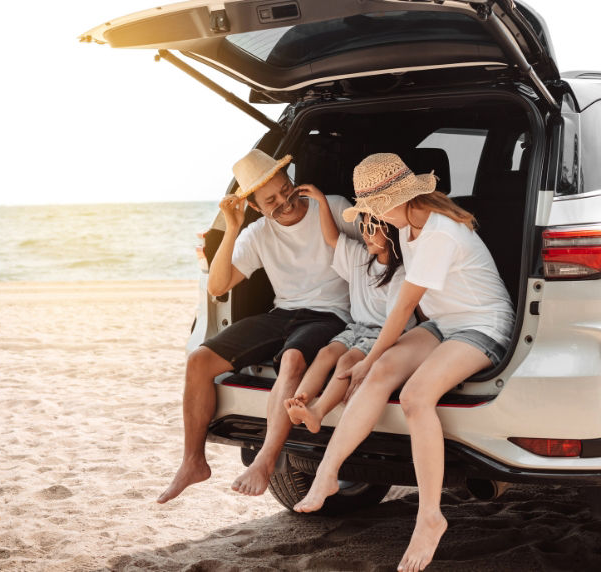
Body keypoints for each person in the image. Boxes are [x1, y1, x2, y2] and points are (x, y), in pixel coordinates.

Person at [292, 153, 515, 572]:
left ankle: (430, 516)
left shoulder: (437, 234)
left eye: (374, 209)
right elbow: (416, 309)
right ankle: (327, 471)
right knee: (379, 375)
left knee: (414, 396)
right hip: (445, 323)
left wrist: (368, 356)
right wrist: (372, 362)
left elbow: (402, 309)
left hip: (483, 325)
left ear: (398, 199)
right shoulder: (410, 227)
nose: (373, 219)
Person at [157, 149, 358, 504]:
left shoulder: (332, 205)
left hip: (330, 315)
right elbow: (217, 287)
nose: (285, 201)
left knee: (293, 359)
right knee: (199, 361)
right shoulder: (257, 232)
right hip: (283, 313)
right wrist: (232, 228)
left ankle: (265, 463)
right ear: (255, 205)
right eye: (271, 200)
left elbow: (380, 246)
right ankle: (192, 462)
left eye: (286, 188)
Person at [283, 182, 413, 434]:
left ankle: (317, 412)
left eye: (372, 227)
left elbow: (397, 322)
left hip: (383, 334)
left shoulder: (402, 273)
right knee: (326, 354)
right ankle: (299, 400)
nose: (364, 233)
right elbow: (332, 237)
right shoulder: (360, 257)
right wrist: (322, 201)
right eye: (362, 226)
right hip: (356, 328)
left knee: (347, 360)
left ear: (391, 231)